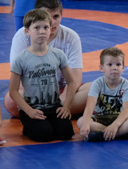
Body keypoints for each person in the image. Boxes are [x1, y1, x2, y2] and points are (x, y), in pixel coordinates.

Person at [5, 0, 89, 117]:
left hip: (62, 90)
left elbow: (75, 77)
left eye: (56, 17)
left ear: (61, 16)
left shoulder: (71, 37)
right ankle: (55, 113)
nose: (52, 22)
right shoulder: (22, 36)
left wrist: (62, 101)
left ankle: (46, 113)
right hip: (33, 92)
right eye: (47, 16)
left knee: (95, 89)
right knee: (10, 101)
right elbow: (19, 80)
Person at [8, 8, 78, 143]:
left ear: (50, 29)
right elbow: (13, 91)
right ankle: (28, 127)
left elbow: (71, 82)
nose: (42, 31)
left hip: (53, 106)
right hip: (32, 107)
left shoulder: (58, 55)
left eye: (46, 27)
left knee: (66, 133)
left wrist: (66, 106)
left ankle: (45, 124)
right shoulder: (20, 59)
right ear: (27, 31)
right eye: (37, 28)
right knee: (44, 135)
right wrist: (28, 111)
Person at [78, 47, 128, 142]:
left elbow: (127, 109)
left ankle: (101, 135)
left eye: (118, 64)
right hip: (100, 118)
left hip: (119, 119)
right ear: (101, 68)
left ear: (123, 68)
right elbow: (90, 106)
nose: (114, 68)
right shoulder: (97, 83)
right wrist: (86, 123)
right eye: (110, 64)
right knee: (80, 122)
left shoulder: (127, 85)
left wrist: (115, 125)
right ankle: (121, 134)